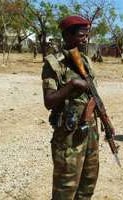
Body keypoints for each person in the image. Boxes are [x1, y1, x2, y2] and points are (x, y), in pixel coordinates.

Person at [42, 15, 104, 199]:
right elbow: (49, 101)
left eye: (86, 35)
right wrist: (72, 85)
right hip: (68, 137)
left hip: (89, 132)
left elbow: (93, 94)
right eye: (81, 35)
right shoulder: (54, 63)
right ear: (67, 35)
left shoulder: (85, 60)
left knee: (88, 183)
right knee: (65, 189)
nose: (85, 39)